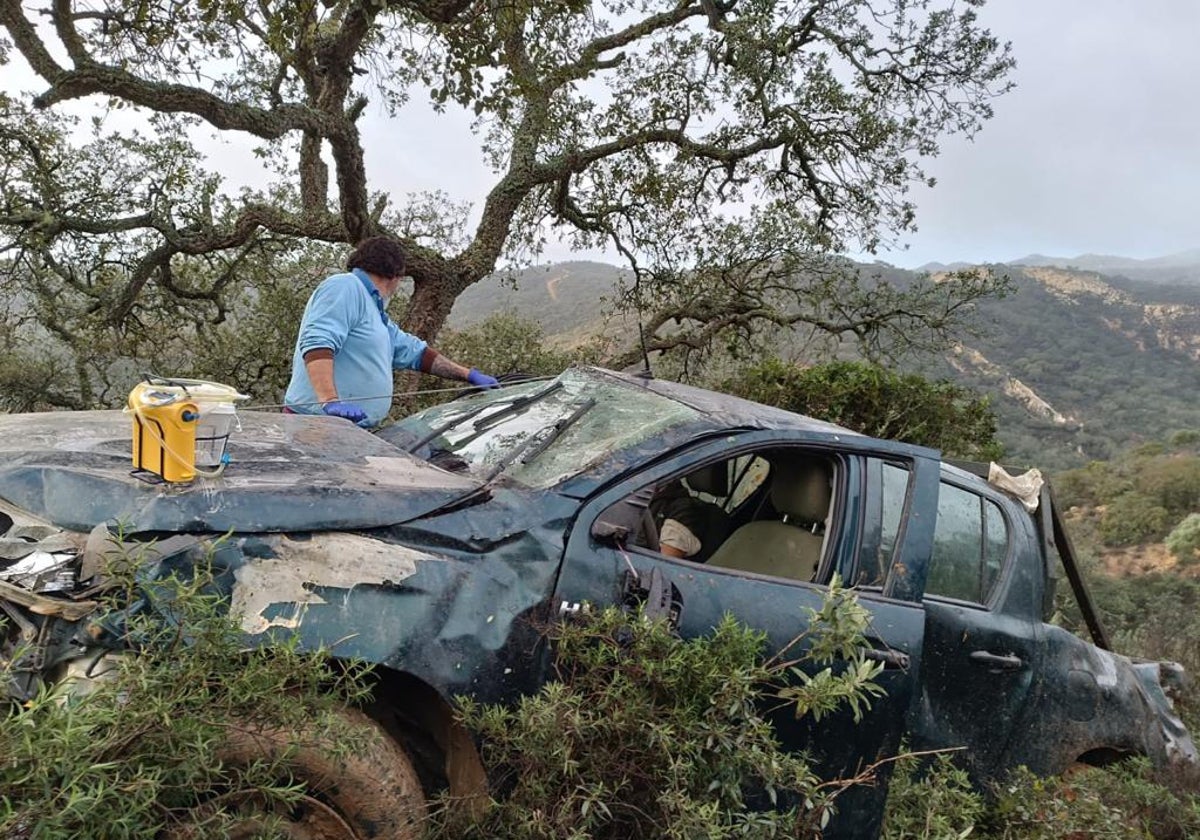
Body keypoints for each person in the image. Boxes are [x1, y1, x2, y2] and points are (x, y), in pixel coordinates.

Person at [284, 236, 499, 427]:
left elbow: (415, 353)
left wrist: (468, 375)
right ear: (396, 275)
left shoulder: (375, 313)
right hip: (315, 425)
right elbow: (317, 342)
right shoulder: (345, 286)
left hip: (347, 429)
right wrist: (330, 401)